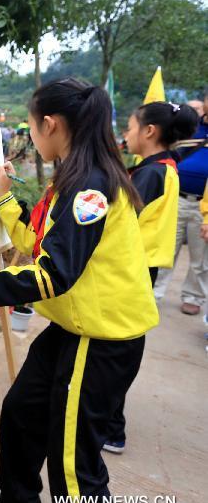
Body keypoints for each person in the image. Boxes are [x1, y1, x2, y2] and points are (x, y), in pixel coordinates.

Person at [0, 78, 158, 503]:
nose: (29, 138)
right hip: (78, 328)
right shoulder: (80, 175)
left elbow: (54, 274)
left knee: (73, 468)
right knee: (22, 410)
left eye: (32, 128)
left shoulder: (89, 189)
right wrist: (6, 201)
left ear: (50, 124)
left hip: (101, 340)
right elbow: (44, 246)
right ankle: (18, 496)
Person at [102, 102, 198, 454]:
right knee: (123, 347)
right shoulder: (162, 167)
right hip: (144, 267)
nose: (125, 134)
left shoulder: (151, 174)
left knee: (116, 350)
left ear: (149, 131)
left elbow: (118, 223)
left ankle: (111, 429)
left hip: (131, 269)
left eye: (129, 127)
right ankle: (112, 425)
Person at [153, 88, 208, 312]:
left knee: (200, 255)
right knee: (166, 246)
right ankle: (153, 292)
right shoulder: (190, 125)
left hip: (203, 204)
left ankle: (193, 297)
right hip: (176, 196)